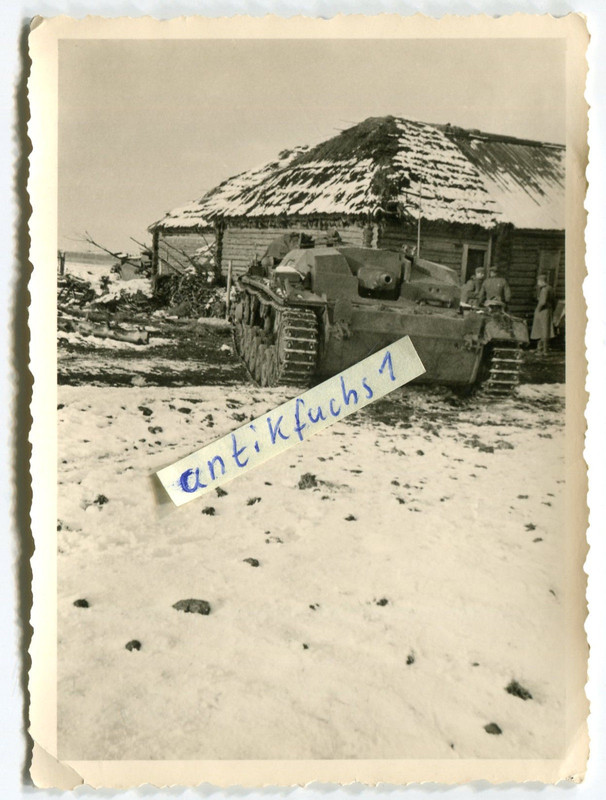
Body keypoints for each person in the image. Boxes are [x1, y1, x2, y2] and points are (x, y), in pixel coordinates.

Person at [531, 274, 556, 356]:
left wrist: (538, 309)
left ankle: (544, 351)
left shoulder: (544, 290)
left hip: (543, 311)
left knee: (543, 329)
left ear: (541, 281)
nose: (538, 283)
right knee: (544, 329)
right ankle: (540, 349)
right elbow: (553, 301)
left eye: (538, 281)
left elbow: (543, 302)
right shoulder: (550, 288)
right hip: (548, 310)